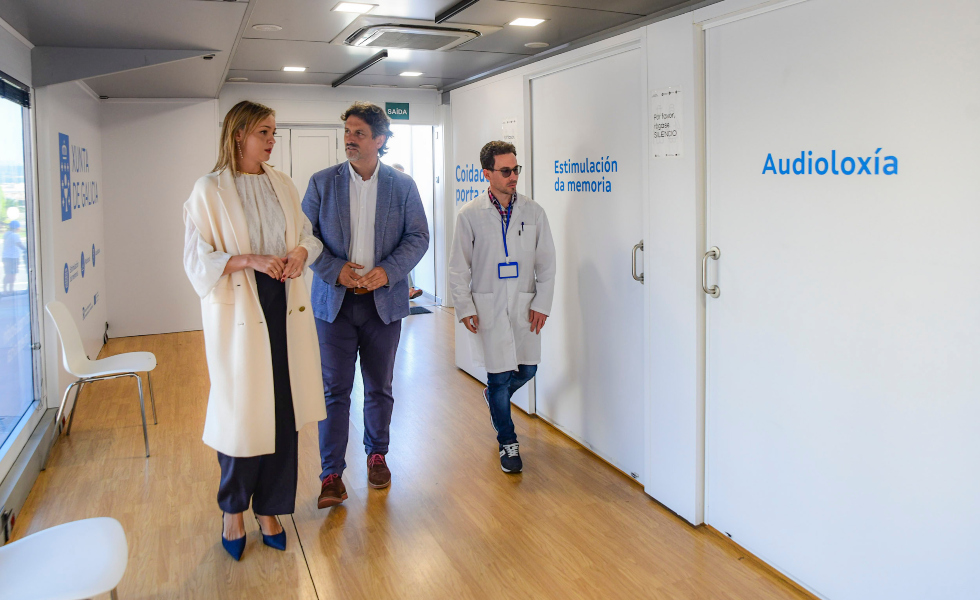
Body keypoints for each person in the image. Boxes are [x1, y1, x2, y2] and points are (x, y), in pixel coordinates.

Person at [183, 100, 326, 561]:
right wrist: (249, 260)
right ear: (239, 134)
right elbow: (196, 260)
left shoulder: (282, 183)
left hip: (284, 304)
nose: (271, 140)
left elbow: (307, 235)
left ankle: (269, 509)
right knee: (241, 412)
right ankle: (233, 510)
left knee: (283, 411)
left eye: (273, 132)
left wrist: (300, 253)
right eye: (264, 131)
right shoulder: (208, 190)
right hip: (241, 310)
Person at [303, 102, 429, 508]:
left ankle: (377, 456)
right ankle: (331, 474)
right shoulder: (322, 183)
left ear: (380, 139)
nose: (349, 139)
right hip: (334, 305)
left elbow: (418, 237)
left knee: (379, 386)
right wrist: (334, 269)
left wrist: (388, 271)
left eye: (358, 133)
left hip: (383, 305)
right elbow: (305, 238)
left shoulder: (402, 186)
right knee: (334, 390)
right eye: (347, 132)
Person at [448, 141, 556, 473]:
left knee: (528, 369)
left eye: (516, 169)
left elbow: (547, 263)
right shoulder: (469, 215)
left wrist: (542, 303)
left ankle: (495, 400)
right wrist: (465, 307)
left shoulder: (534, 212)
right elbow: (458, 267)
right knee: (497, 377)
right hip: (488, 305)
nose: (513, 177)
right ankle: (507, 441)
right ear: (487, 174)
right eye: (506, 171)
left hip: (524, 303)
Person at [390, 163, 424, 300]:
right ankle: (408, 289)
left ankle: (409, 289)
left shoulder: (406, 191)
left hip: (403, 236)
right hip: (392, 238)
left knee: (404, 259)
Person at [2, 221, 25, 294]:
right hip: (13, 258)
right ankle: (11, 290)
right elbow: (19, 244)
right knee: (12, 274)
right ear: (17, 227)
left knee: (7, 273)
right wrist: (27, 249)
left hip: (5, 257)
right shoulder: (15, 235)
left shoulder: (6, 234)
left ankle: (5, 290)